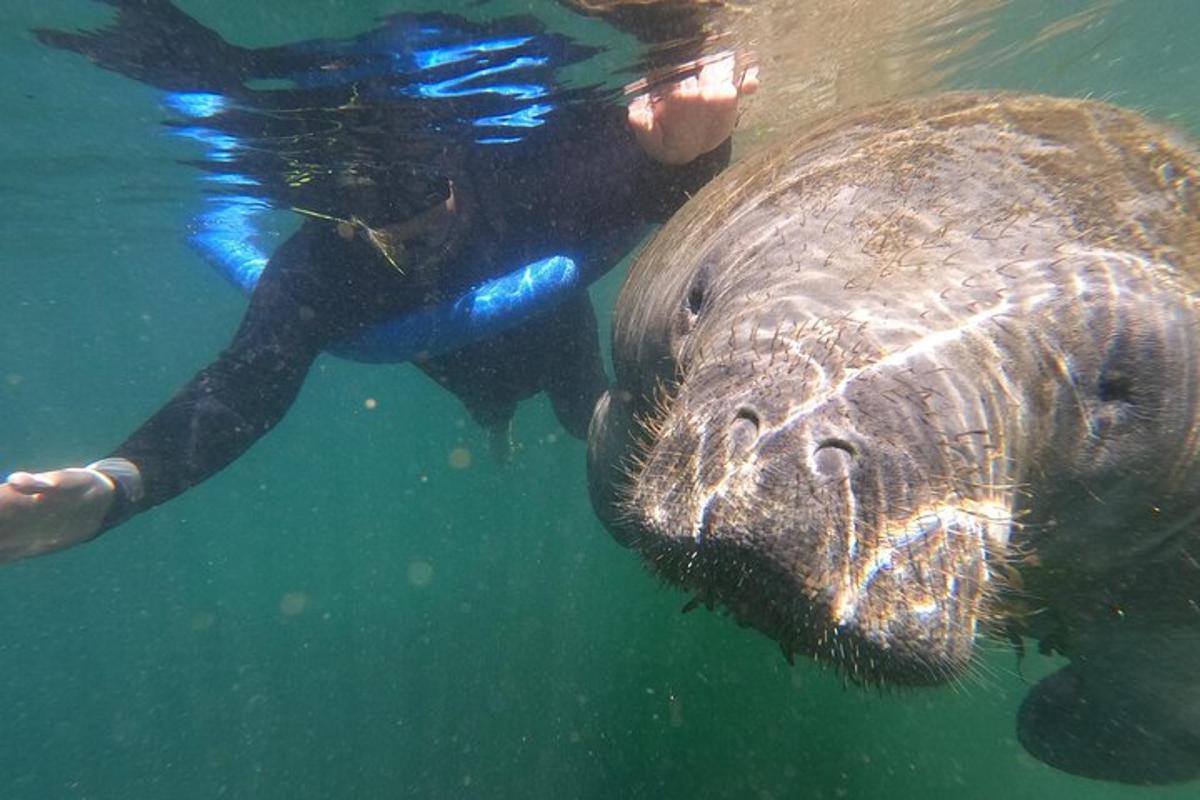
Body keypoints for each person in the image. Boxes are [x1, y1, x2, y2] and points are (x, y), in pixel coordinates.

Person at [0, 0, 756, 564]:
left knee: (575, 395)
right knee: (488, 399)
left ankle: (552, 419)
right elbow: (239, 390)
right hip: (457, 363)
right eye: (368, 209)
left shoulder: (522, 177)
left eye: (423, 191)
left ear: (457, 162)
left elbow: (651, 197)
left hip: (552, 327)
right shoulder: (319, 272)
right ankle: (493, 426)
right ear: (328, 213)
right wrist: (115, 486)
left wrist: (689, 151)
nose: (411, 225)